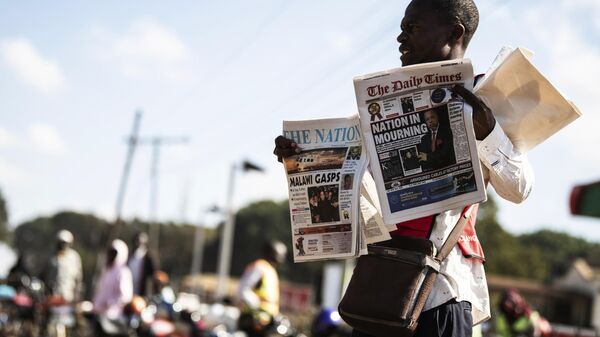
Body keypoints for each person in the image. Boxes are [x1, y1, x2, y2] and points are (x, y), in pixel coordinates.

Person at [273, 0, 534, 336]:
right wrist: (302, 161)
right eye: (401, 28)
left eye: (413, 28)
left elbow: (521, 188)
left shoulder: (486, 100)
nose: (400, 37)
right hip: (379, 289)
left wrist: (489, 133)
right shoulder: (376, 108)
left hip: (439, 292)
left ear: (454, 32)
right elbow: (340, 204)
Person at [237, 241, 288, 337]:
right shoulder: (260, 266)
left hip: (266, 321)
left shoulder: (270, 269)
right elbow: (243, 290)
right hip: (254, 321)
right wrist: (257, 309)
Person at [93, 239, 133, 321]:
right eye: (110, 253)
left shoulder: (123, 272)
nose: (111, 256)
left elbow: (125, 296)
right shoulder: (106, 270)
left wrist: (109, 303)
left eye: (114, 254)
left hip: (113, 316)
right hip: (99, 312)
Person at [42, 230, 83, 304]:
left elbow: (78, 279)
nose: (62, 245)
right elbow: (45, 275)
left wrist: (77, 297)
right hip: (52, 296)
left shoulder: (74, 257)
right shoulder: (51, 256)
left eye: (65, 243)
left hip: (68, 297)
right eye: (61, 242)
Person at [128, 232, 157, 297]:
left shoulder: (148, 257)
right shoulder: (130, 256)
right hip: (129, 291)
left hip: (142, 293)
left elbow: (152, 276)